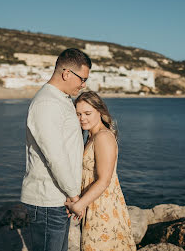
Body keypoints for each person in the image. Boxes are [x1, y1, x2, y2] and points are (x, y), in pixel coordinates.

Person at [21, 48, 92, 251]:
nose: (84, 84)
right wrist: (74, 195)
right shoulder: (47, 103)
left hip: (58, 199)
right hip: (48, 201)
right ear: (67, 73)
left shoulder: (61, 99)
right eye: (82, 79)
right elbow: (55, 156)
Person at [65, 91, 136, 251]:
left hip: (104, 208)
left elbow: (104, 180)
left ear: (100, 111)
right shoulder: (90, 136)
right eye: (78, 114)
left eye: (87, 113)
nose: (82, 118)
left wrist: (78, 205)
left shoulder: (103, 137)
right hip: (93, 204)